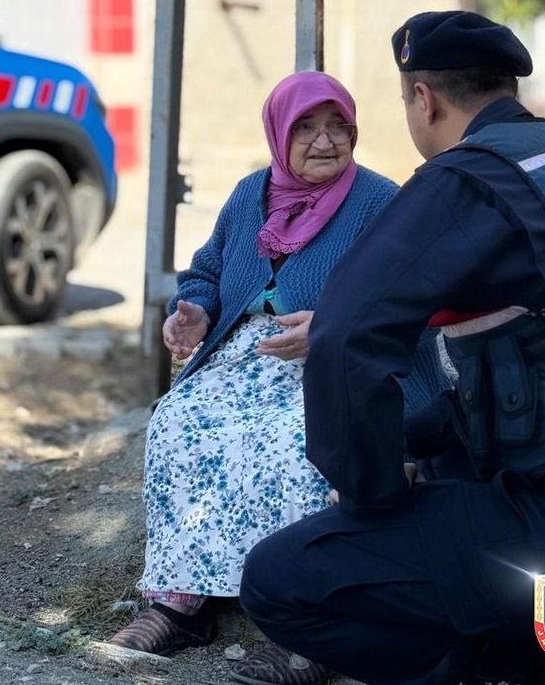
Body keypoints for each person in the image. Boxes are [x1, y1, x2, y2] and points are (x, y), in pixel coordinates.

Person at [240, 11, 545, 685]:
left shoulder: (468, 179)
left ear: (422, 99)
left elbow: (344, 337)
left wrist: (371, 491)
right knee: (447, 470)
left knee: (283, 578)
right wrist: (413, 444)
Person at [108, 71, 448, 684]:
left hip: (340, 363)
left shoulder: (379, 201)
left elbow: (410, 298)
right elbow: (207, 270)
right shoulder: (251, 194)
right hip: (245, 357)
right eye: (306, 128)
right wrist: (194, 309)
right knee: (178, 421)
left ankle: (307, 626)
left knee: (297, 443)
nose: (325, 141)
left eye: (338, 126)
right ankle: (181, 603)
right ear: (278, 134)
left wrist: (333, 327)